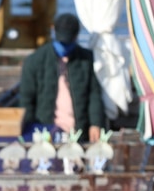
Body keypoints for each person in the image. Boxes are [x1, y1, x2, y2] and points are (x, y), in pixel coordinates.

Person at [18, 12, 107, 141]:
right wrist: (29, 131)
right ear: (53, 30)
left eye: (68, 41)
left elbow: (94, 95)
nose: (64, 45)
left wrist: (96, 124)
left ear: (76, 36)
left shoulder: (87, 60)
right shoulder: (34, 61)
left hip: (78, 132)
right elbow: (26, 100)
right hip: (45, 130)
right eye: (62, 41)